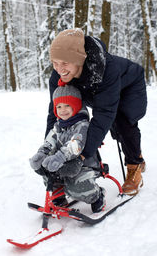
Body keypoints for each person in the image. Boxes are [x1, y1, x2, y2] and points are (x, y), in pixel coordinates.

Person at [46, 28, 147, 196]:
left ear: (78, 59)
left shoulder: (107, 68)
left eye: (64, 63)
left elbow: (104, 114)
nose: (59, 68)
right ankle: (134, 152)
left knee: (122, 123)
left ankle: (134, 164)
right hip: (98, 91)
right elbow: (54, 113)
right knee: (74, 118)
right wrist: (50, 146)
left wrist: (82, 156)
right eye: (55, 62)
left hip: (129, 87)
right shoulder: (58, 76)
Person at [30, 82, 106, 213]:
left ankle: (97, 195)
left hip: (83, 164)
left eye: (67, 105)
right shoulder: (59, 124)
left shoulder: (82, 125)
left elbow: (75, 145)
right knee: (48, 172)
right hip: (63, 163)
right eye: (59, 106)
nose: (62, 110)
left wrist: (59, 157)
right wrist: (42, 153)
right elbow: (51, 139)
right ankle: (59, 198)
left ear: (76, 106)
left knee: (76, 187)